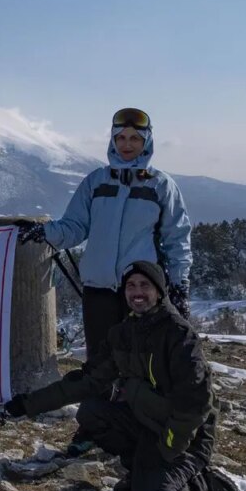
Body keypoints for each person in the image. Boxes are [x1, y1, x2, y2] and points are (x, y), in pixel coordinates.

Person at [4, 261, 242, 491]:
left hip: (186, 438)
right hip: (147, 425)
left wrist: (170, 446)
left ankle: (203, 484)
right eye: (131, 286)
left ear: (159, 292)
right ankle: (140, 471)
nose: (137, 292)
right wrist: (28, 404)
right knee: (92, 412)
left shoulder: (178, 334)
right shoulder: (123, 333)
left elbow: (195, 403)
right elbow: (86, 381)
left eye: (145, 285)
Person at [17, 107, 192, 456]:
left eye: (135, 139)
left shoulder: (160, 185)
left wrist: (179, 284)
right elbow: (75, 226)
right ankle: (92, 426)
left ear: (147, 142)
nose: (127, 145)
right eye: (121, 138)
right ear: (112, 140)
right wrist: (43, 232)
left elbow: (177, 238)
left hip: (139, 292)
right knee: (98, 365)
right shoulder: (96, 182)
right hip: (98, 289)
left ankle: (142, 429)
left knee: (143, 365)